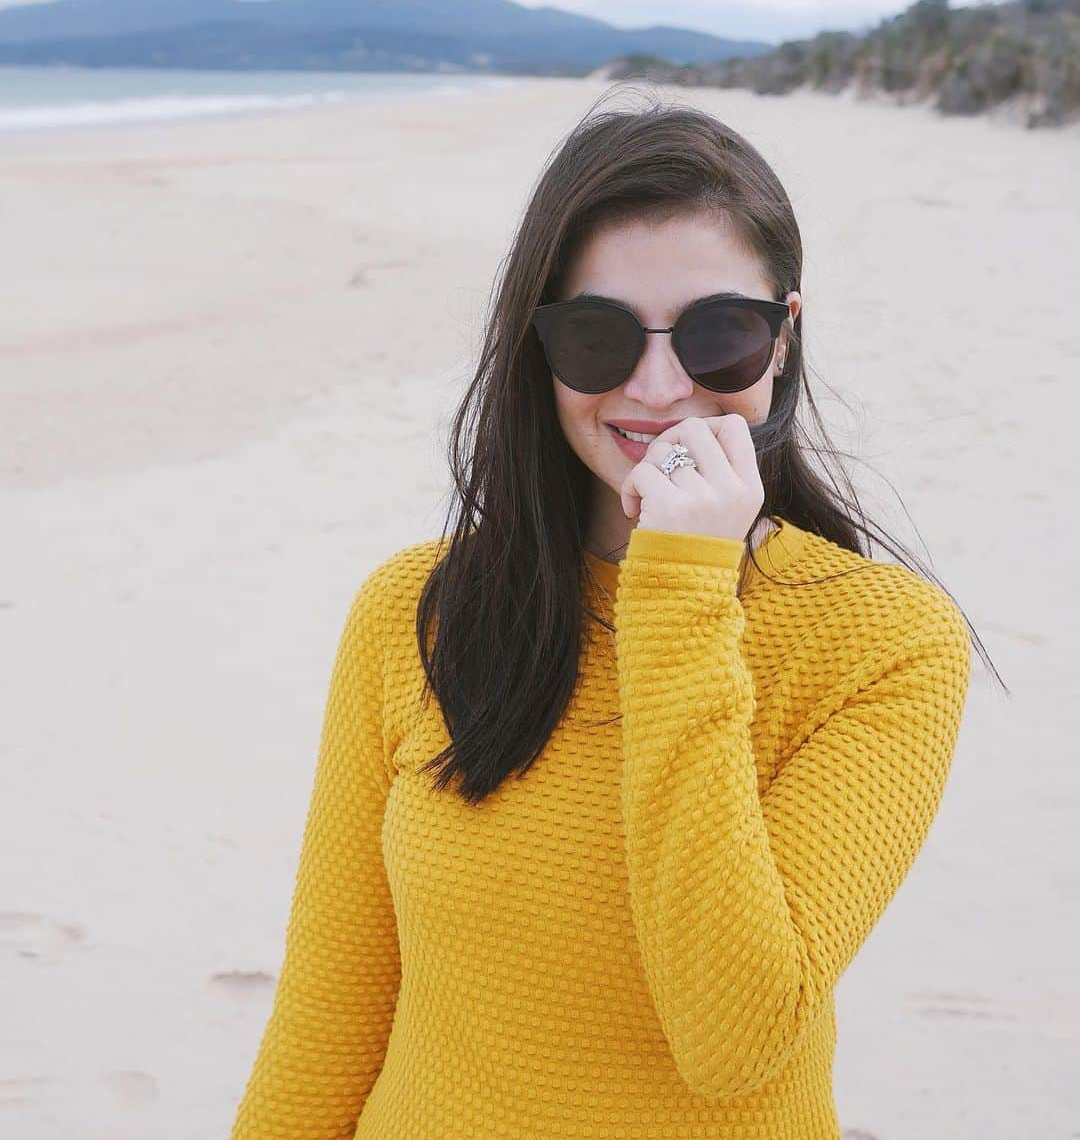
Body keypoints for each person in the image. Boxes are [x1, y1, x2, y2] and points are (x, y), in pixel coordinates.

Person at [230, 88, 1002, 1139]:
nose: (657, 383)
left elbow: (735, 1033)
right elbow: (329, 1010)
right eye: (597, 335)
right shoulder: (413, 608)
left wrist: (682, 581)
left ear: (783, 339)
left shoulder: (885, 640)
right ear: (540, 348)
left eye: (718, 333)